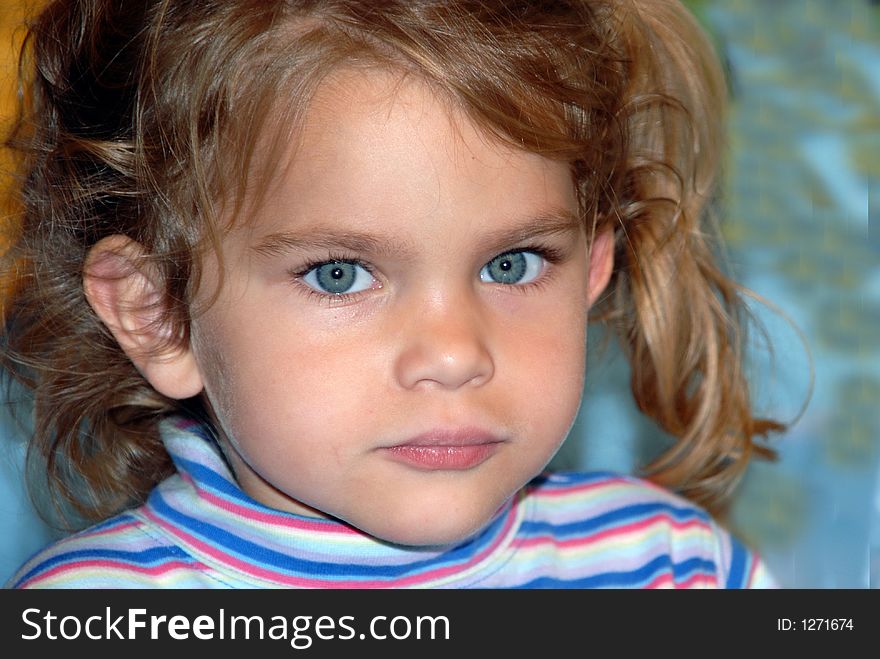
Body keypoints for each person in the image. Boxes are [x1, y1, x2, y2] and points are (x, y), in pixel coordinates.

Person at [2, 0, 787, 588]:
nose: (453, 355)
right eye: (339, 273)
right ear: (160, 314)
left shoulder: (676, 569)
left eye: (511, 264)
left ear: (592, 267)